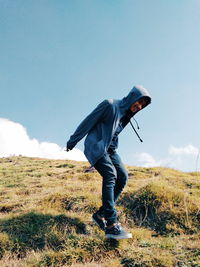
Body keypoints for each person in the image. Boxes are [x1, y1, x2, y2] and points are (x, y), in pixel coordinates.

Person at [66, 85, 151, 239]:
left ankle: (100, 215)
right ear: (132, 97)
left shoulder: (126, 115)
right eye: (138, 102)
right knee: (110, 175)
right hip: (96, 146)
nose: (138, 106)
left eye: (142, 106)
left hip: (110, 150)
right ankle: (111, 225)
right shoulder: (110, 105)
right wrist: (72, 141)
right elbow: (88, 122)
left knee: (123, 177)